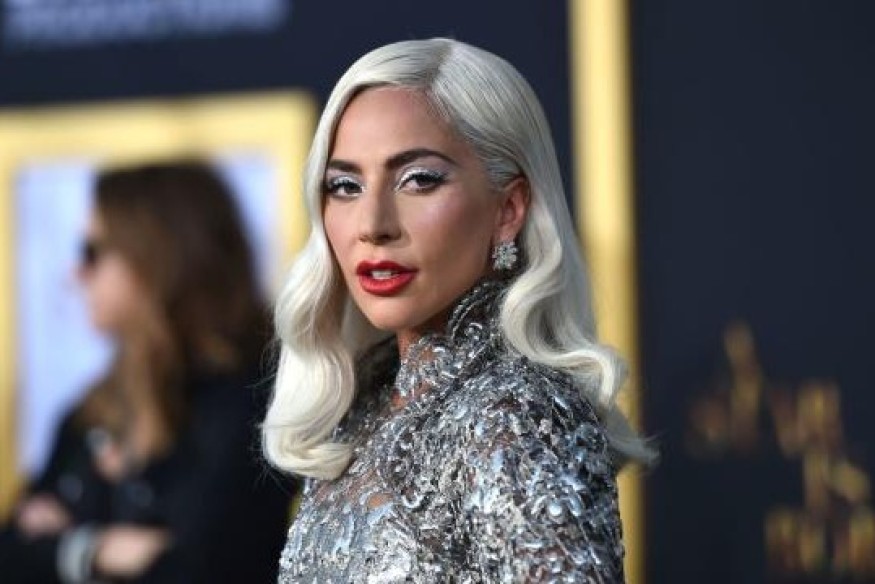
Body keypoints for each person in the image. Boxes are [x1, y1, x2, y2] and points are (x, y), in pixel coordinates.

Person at [263, 38, 657, 582]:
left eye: (418, 180)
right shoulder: (364, 406)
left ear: (509, 209)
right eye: (346, 186)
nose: (372, 224)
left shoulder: (517, 414)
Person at [0, 161, 291, 583]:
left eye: (92, 251)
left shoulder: (255, 401)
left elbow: (198, 567)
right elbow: (10, 553)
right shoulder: (95, 407)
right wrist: (97, 550)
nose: (76, 273)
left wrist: (64, 539)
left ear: (158, 257)